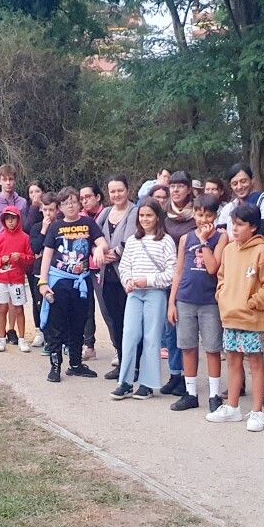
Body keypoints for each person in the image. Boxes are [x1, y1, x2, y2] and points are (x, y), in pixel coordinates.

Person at [207, 203, 264, 433]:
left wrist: (252, 302)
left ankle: (257, 411)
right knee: (233, 361)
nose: (235, 229)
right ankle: (233, 407)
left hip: (252, 318)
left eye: (240, 225)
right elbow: (221, 278)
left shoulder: (262, 251)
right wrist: (224, 296)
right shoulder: (228, 250)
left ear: (253, 227)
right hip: (230, 317)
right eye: (232, 224)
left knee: (255, 364)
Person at [38, 187, 110, 383]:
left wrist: (98, 250)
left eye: (73, 201)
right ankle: (55, 365)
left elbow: (103, 243)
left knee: (79, 323)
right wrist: (43, 282)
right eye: (65, 202)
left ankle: (76, 364)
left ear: (79, 203)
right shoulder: (56, 227)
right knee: (56, 325)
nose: (70, 205)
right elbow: (47, 254)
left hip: (82, 282)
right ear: (60, 206)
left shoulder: (88, 224)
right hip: (60, 280)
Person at [109, 199, 175, 400]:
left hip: (155, 293)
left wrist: (148, 280)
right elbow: (124, 265)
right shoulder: (132, 240)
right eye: (142, 215)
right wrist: (128, 281)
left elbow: (171, 272)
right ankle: (126, 382)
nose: (145, 219)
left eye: (149, 215)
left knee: (151, 338)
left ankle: (147, 383)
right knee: (129, 335)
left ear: (157, 217)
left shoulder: (166, 241)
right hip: (134, 294)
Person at [167, 195, 226, 413]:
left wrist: (204, 242)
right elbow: (179, 271)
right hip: (185, 299)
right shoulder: (185, 238)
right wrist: (172, 302)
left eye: (208, 215)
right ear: (194, 214)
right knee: (188, 347)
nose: (203, 219)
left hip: (209, 301)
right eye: (200, 214)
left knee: (212, 348)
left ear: (215, 216)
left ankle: (214, 394)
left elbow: (212, 268)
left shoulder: (221, 237)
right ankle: (191, 393)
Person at [95, 176, 138, 379]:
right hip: (108, 275)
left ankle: (135, 365)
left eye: (120, 190)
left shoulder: (135, 211)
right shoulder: (105, 212)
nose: (116, 195)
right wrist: (99, 251)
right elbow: (93, 233)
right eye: (112, 191)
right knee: (116, 321)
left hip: (127, 275)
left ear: (127, 190)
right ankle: (122, 362)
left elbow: (133, 237)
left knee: (131, 322)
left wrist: (117, 252)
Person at [0, 165, 30, 344]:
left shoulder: (22, 203)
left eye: (11, 179)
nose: (9, 183)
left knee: (14, 294)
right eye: (5, 179)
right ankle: (0, 328)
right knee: (0, 293)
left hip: (17, 257)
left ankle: (11, 329)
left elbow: (24, 228)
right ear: (0, 180)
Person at [159, 171, 197, 396]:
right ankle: (175, 374)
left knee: (187, 331)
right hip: (166, 277)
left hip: (189, 279)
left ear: (189, 189)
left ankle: (188, 377)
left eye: (181, 186)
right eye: (172, 186)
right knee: (169, 329)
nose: (176, 190)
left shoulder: (197, 215)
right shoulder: (163, 214)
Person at [0, 207, 34, 352]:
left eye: (13, 218)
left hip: (17, 279)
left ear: (18, 219)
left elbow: (31, 258)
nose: (10, 222)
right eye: (7, 219)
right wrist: (0, 260)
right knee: (2, 308)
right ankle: (2, 338)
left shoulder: (25, 237)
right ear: (3, 220)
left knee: (18, 308)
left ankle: (21, 338)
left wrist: (20, 256)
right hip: (1, 279)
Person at [79, 184, 105, 360]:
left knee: (108, 309)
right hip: (84, 269)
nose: (84, 201)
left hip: (105, 268)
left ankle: (120, 348)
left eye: (88, 197)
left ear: (98, 197)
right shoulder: (79, 218)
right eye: (82, 198)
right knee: (86, 308)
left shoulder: (107, 214)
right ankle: (89, 345)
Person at [28, 192, 57, 349]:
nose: (48, 213)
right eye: (45, 209)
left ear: (57, 210)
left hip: (56, 272)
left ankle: (57, 338)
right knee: (39, 303)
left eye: (51, 210)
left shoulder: (61, 226)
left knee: (56, 304)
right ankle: (42, 333)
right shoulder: (36, 228)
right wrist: (44, 229)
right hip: (39, 271)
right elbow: (35, 248)